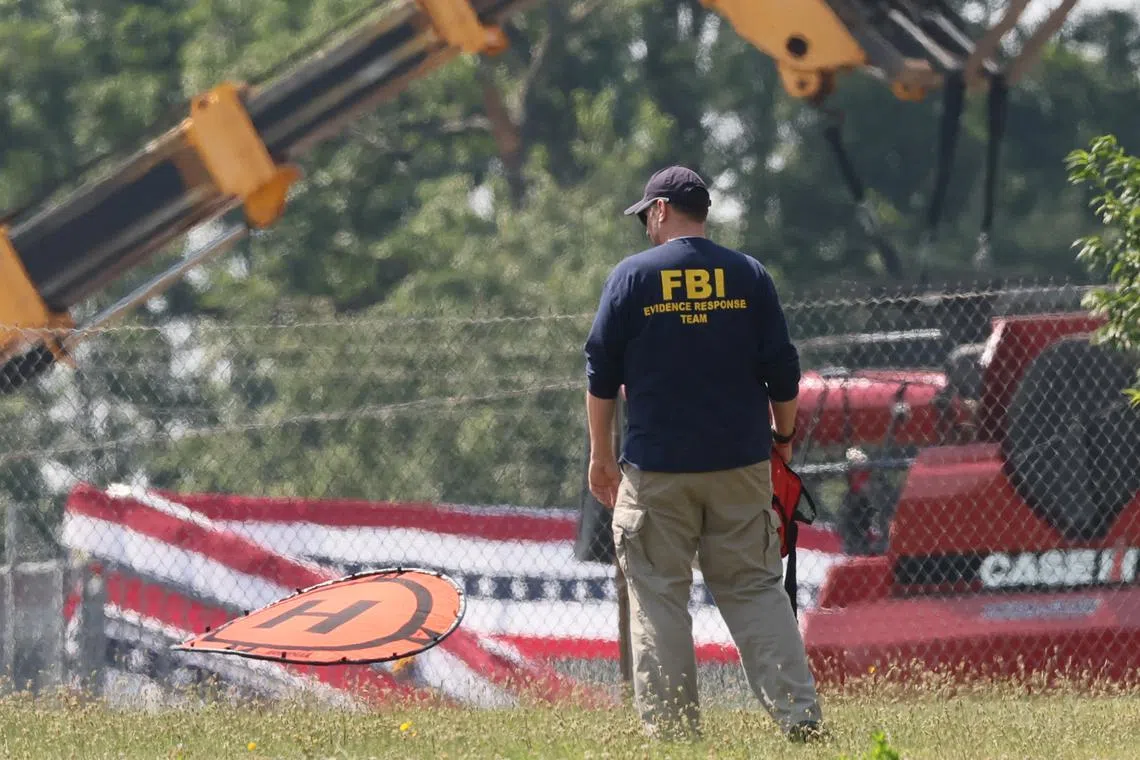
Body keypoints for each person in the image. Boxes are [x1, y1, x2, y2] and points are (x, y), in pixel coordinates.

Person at [583, 165, 824, 742]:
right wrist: (782, 439)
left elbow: (599, 375)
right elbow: (783, 372)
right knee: (754, 589)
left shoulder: (630, 278)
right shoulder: (748, 275)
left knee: (659, 596)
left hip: (657, 471)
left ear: (662, 209)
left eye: (646, 216)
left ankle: (673, 737)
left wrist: (601, 456)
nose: (645, 227)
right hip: (739, 465)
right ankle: (800, 719)